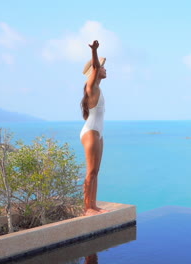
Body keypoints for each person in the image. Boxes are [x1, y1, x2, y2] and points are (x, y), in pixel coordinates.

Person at [80, 40, 108, 216]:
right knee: (90, 171)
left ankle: (93, 205)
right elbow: (96, 68)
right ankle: (86, 207)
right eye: (104, 67)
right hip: (90, 132)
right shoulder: (92, 87)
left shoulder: (98, 89)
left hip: (98, 132)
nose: (105, 69)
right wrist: (95, 52)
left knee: (96, 171)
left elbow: (97, 69)